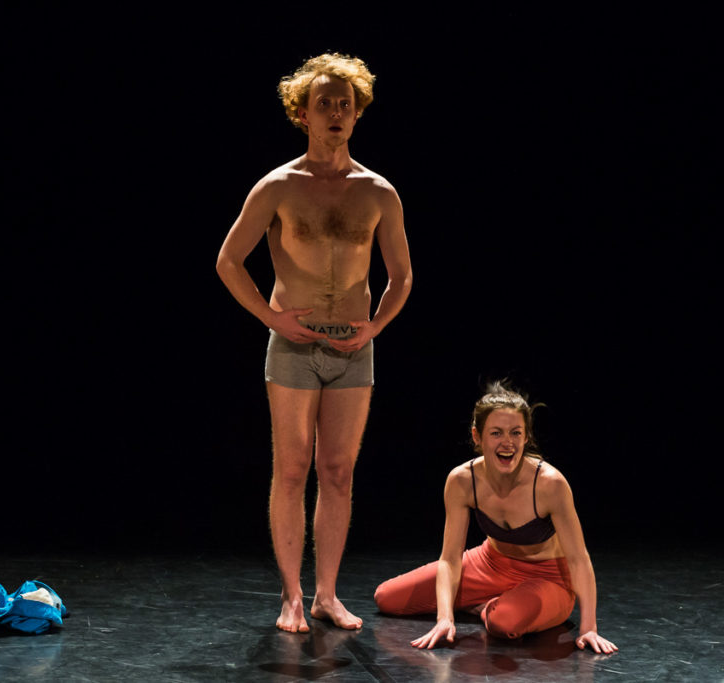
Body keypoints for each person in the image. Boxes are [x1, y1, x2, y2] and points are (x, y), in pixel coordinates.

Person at [216, 52, 412, 633]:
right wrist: (271, 318)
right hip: (295, 347)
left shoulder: (378, 192)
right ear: (302, 113)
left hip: (354, 348)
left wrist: (375, 327)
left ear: (357, 114)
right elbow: (228, 261)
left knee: (339, 471)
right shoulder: (279, 185)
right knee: (293, 469)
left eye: (344, 104)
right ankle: (292, 597)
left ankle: (326, 594)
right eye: (323, 103)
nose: (335, 113)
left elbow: (402, 276)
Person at [373, 382, 618, 653]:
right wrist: (444, 617)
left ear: (526, 437)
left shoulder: (550, 484)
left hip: (548, 577)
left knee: (504, 623)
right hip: (489, 564)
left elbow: (579, 559)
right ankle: (491, 602)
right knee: (387, 598)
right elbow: (450, 559)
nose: (507, 442)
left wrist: (589, 627)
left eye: (516, 433)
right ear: (477, 436)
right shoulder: (462, 480)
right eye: (496, 433)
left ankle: (491, 607)